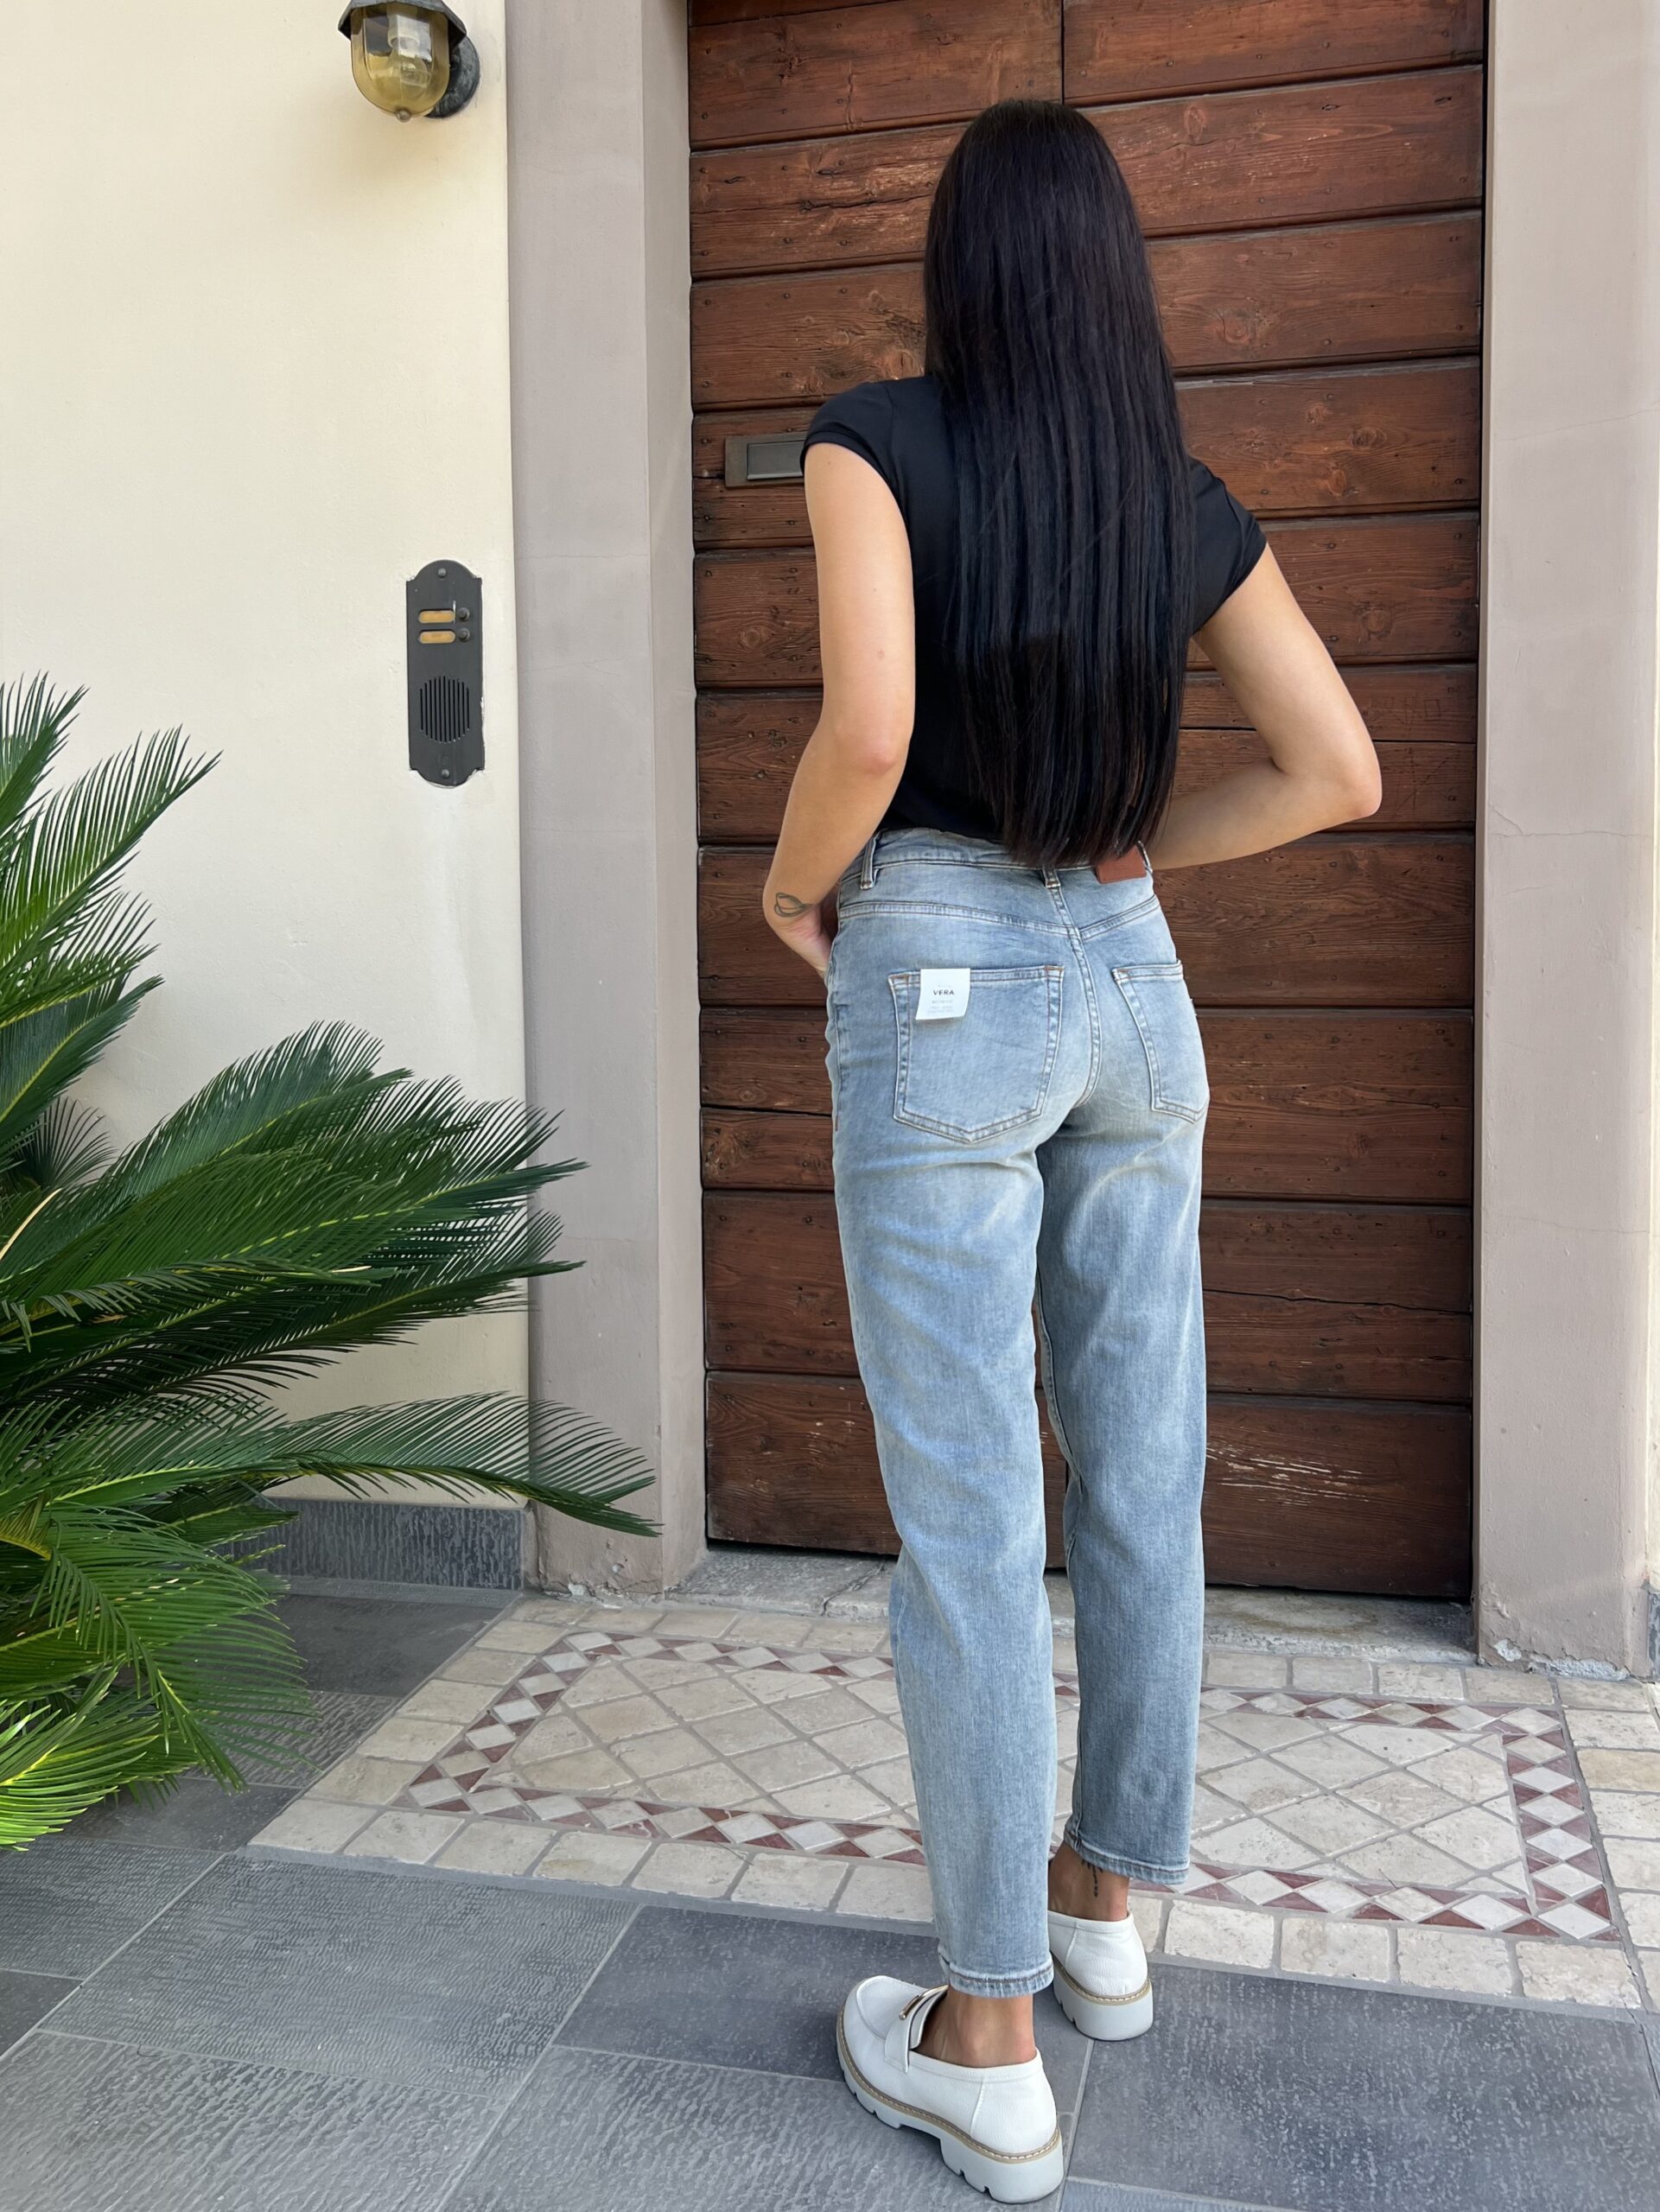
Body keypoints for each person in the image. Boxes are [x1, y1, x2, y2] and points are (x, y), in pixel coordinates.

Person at [762, 99, 1381, 2203]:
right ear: (1116, 270)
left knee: (965, 1515)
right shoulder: (1174, 493)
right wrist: (1133, 848)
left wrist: (790, 885)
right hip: (1130, 981)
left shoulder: (869, 441)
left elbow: (867, 731)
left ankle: (986, 2035)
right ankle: (1106, 1906)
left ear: (956, 260)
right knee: (1139, 1465)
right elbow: (1337, 767)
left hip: (939, 968)